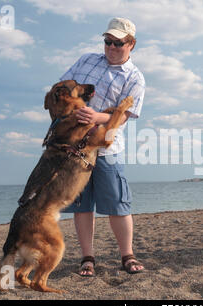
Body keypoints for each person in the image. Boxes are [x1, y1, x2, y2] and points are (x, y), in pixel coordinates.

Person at [60, 17, 145, 276]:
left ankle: (127, 256)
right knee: (82, 205)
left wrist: (97, 118)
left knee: (119, 204)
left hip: (107, 149)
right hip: (74, 148)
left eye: (118, 43)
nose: (111, 46)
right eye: (107, 41)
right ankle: (87, 257)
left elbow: (126, 115)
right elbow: (62, 88)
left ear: (131, 44)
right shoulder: (86, 59)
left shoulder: (135, 78)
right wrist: (73, 108)